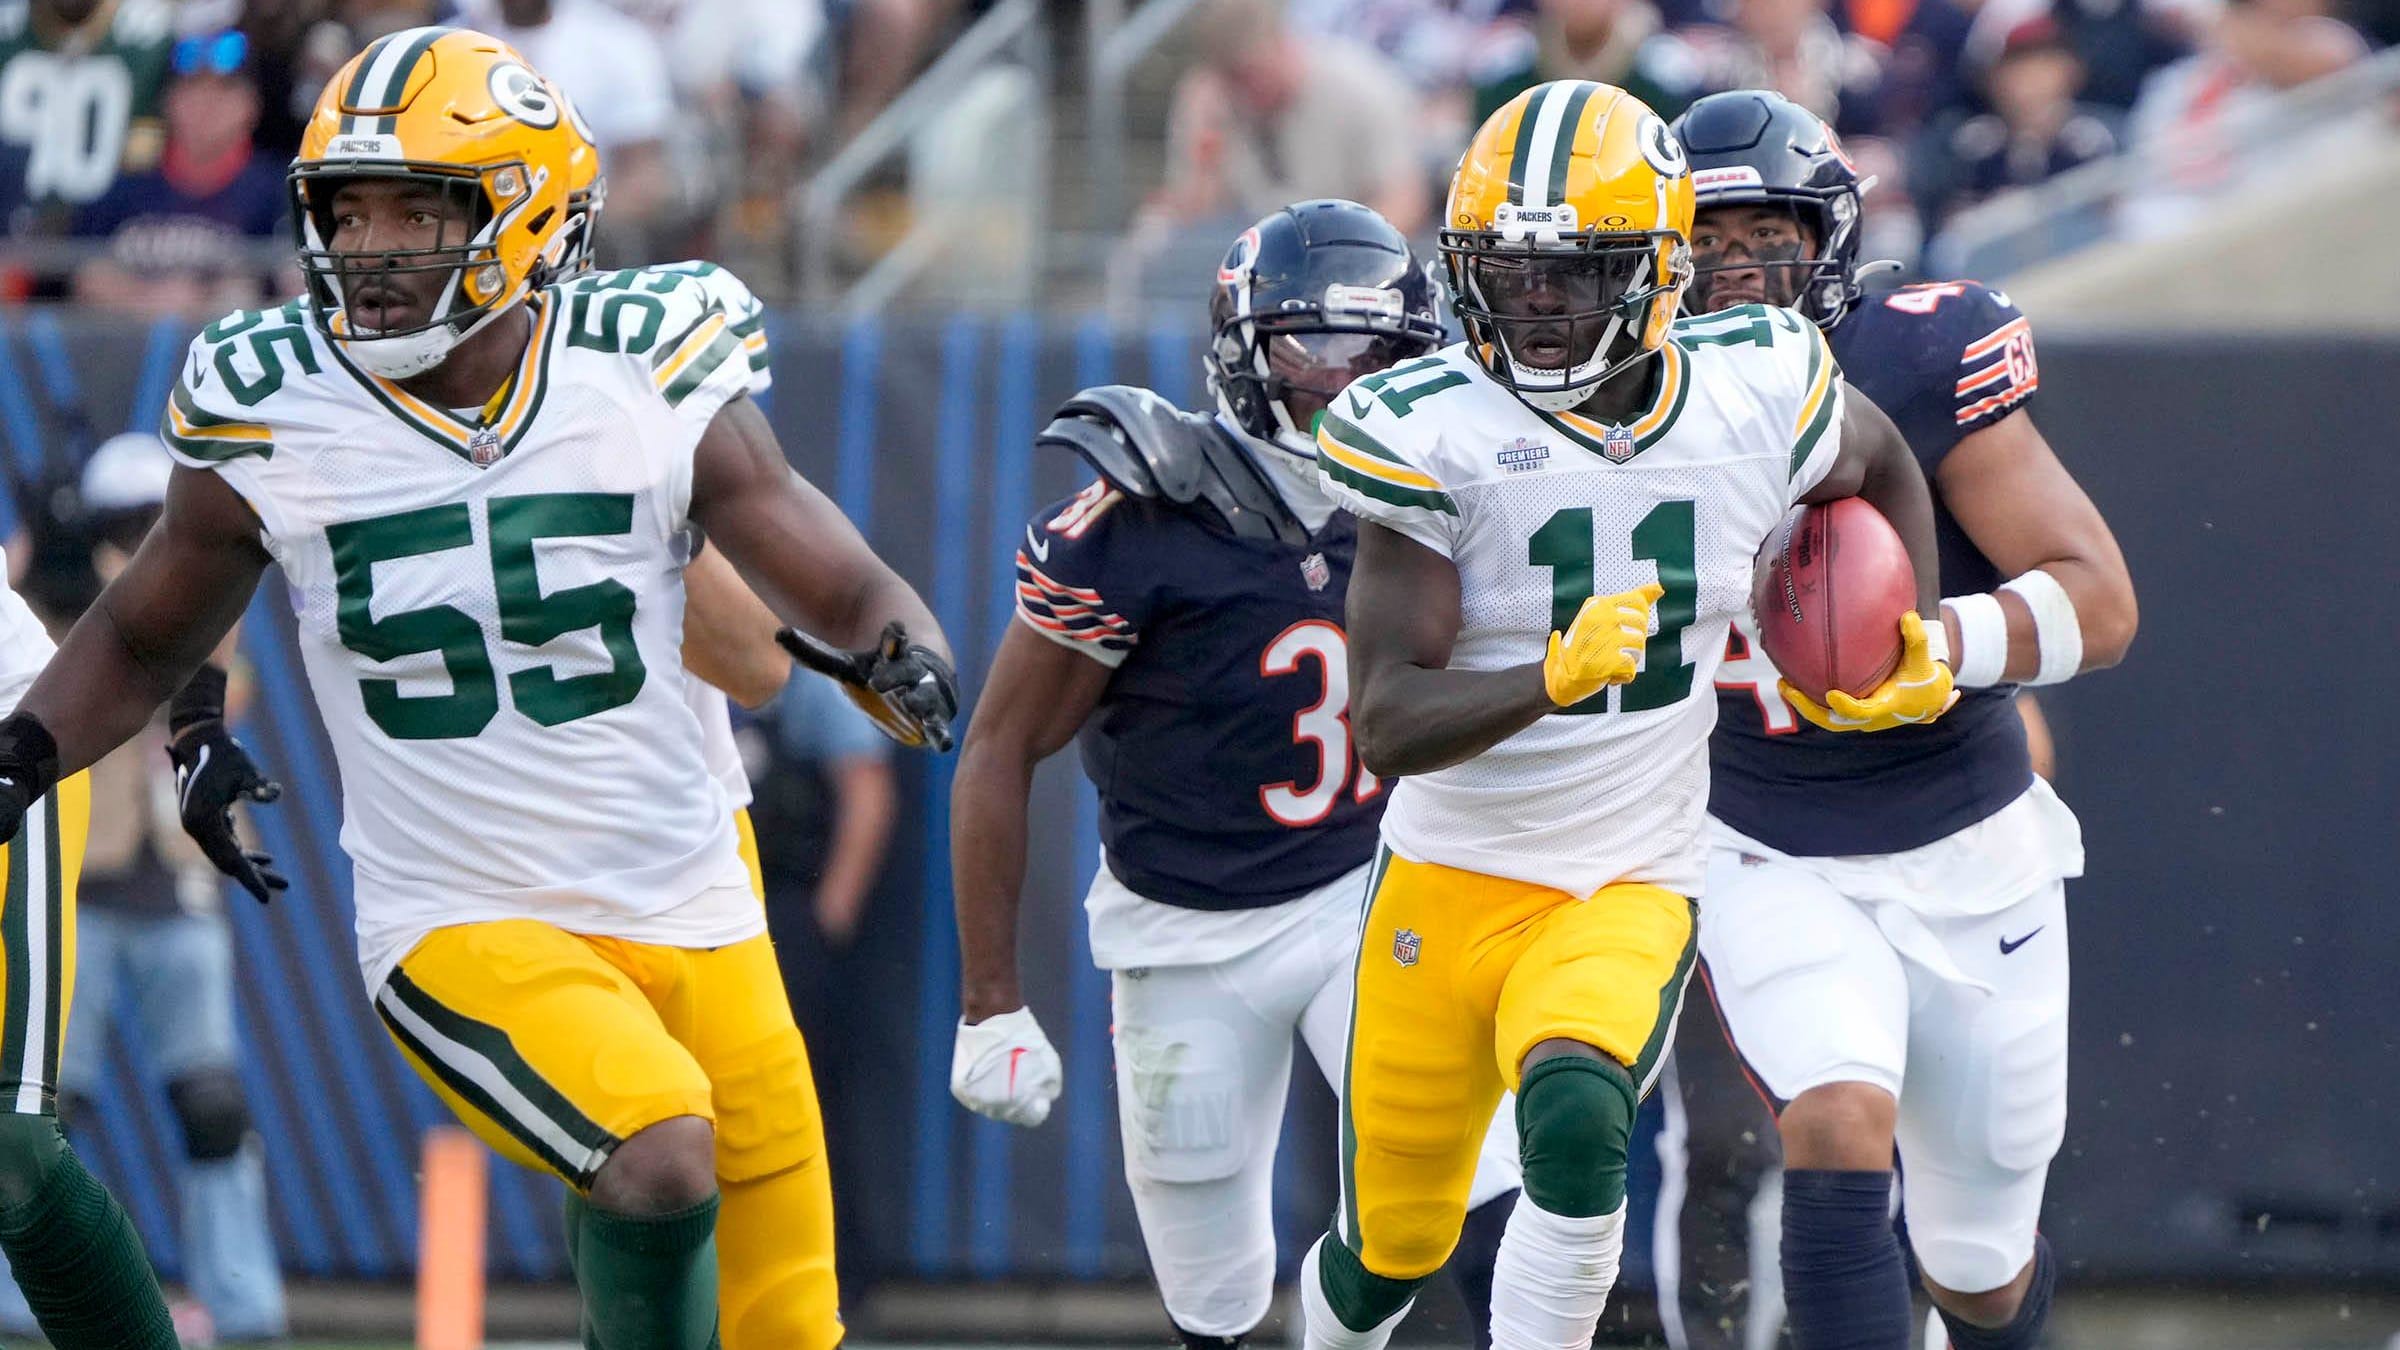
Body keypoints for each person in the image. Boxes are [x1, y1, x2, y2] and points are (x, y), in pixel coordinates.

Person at [0, 27, 956, 1350]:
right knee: (659, 1146)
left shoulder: (642, 359)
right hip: (462, 912)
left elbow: (828, 565)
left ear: (530, 218)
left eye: (418, 209)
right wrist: (28, 747)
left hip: (696, 890)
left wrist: (904, 639)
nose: (373, 246)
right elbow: (151, 627)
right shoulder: (276, 400)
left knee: (787, 1321)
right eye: (350, 209)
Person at [1296, 78, 1952, 1350]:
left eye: (1574, 272)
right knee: (1391, 1247)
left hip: (1627, 875)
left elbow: (1881, 463)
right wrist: (1551, 674)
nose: (1534, 305)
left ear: (1656, 270)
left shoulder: (1757, 385)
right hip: (1447, 876)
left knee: (1582, 1121)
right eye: (1507, 273)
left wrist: (1902, 629)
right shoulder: (1430, 432)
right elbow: (1386, 719)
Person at [952, 199, 1524, 1350]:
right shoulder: (1140, 519)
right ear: (1246, 348)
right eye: (1317, 347)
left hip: (1371, 895)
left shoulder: (1439, 491)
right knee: (1212, 1300)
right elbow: (1002, 747)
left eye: (1380, 352)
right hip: (1184, 933)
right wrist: (989, 1001)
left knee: (1484, 1195)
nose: (1349, 380)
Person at [1667, 89, 2138, 1350]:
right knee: (1832, 1119)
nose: (1734, 271)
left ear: (1827, 239)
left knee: (1975, 1263)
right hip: (1760, 842)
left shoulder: (1914, 359)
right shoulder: (1619, 400)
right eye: (1703, 241)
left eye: (1764, 235)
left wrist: (1948, 647)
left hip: (1969, 847)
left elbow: (2103, 600)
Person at [72, 27, 292, 317]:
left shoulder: (277, 191)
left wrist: (204, 304)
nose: (205, 104)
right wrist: (144, 299)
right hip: (131, 353)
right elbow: (79, 272)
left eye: (223, 90)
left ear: (251, 106)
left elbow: (292, 290)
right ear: (168, 102)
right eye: (190, 88)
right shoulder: (127, 188)